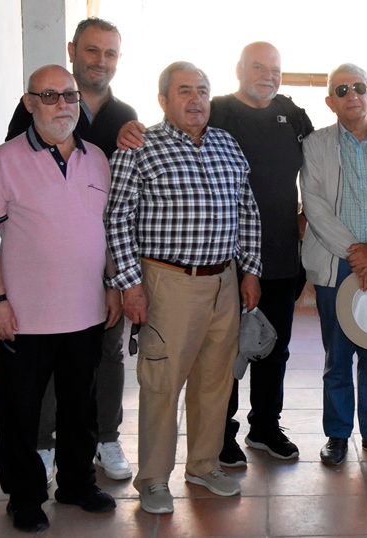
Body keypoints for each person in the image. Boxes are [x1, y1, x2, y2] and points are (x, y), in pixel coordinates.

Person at [118, 42, 313, 464]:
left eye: (275, 69)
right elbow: (119, 215)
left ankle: (253, 435)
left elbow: (296, 181)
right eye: (257, 67)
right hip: (200, 270)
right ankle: (205, 447)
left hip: (265, 262)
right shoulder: (205, 117)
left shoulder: (281, 120)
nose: (267, 76)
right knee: (193, 368)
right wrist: (131, 285)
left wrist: (303, 218)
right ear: (238, 70)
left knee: (254, 356)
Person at [106, 62, 262, 514]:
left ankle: (203, 464)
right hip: (167, 282)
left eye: (203, 91)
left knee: (215, 380)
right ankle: (154, 478)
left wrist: (250, 271)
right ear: (163, 100)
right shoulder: (139, 147)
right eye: (184, 91)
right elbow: (116, 219)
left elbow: (247, 211)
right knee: (162, 382)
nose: (196, 100)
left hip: (224, 281)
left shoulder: (227, 144)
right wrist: (130, 285)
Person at [0, 65, 118, 532]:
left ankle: (77, 484)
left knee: (81, 408)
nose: (62, 105)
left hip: (87, 311)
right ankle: (25, 497)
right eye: (50, 96)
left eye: (69, 96)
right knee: (20, 414)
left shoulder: (98, 158)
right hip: (25, 317)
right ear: (30, 102)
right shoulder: (0, 162)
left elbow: (104, 230)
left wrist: (112, 284)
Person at [5, 17, 137, 484]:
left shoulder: (126, 115)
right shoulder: (33, 107)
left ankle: (105, 438)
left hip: (103, 256)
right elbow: (18, 176)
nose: (101, 60)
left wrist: (117, 276)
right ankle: (44, 444)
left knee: (107, 352)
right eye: (92, 50)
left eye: (110, 53)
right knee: (44, 356)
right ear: (73, 50)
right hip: (44, 261)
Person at [300, 63, 367, 466]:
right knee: (338, 357)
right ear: (331, 102)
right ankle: (338, 434)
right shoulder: (315, 144)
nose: (352, 95)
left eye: (359, 87)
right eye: (342, 90)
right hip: (337, 263)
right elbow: (315, 206)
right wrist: (357, 253)